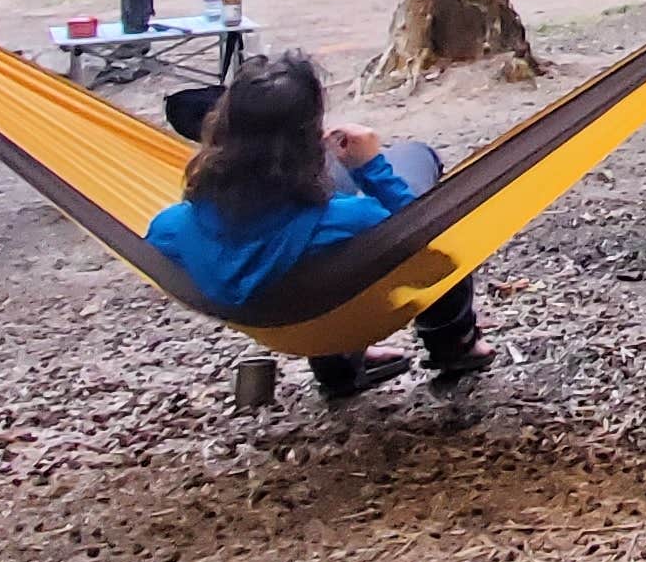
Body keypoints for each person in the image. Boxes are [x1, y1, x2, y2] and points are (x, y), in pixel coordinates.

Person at [145, 49, 487, 402]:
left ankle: (338, 366)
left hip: (276, 317)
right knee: (416, 157)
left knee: (320, 245)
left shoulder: (170, 229)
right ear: (311, 138)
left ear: (221, 131)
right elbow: (436, 254)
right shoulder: (351, 220)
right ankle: (454, 341)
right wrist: (372, 167)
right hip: (332, 300)